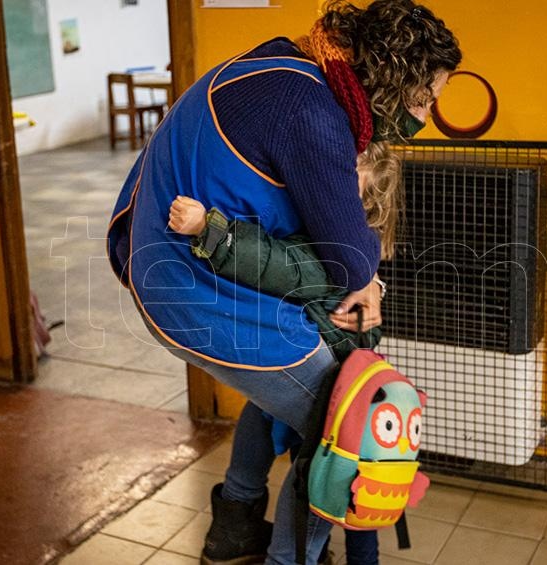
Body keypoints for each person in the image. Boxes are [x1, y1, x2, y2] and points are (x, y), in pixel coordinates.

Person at [107, 1, 460, 562]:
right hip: (200, 289)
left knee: (279, 398)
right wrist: (367, 279)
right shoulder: (311, 112)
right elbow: (351, 260)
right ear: (393, 81)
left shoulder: (287, 60)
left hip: (165, 262)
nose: (429, 111)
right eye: (425, 96)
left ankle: (234, 530)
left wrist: (361, 276)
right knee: (344, 432)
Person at [167, 143, 399, 564]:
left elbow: (273, 262)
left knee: (320, 472)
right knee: (265, 417)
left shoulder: (339, 256)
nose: (325, 194)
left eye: (343, 192)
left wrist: (207, 228)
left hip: (333, 387)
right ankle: (237, 528)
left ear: (363, 206)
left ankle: (277, 552)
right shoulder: (351, 252)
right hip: (328, 372)